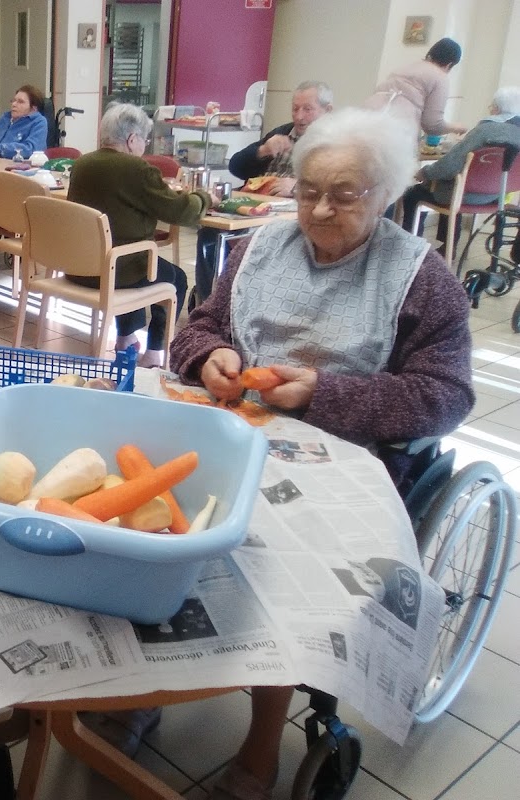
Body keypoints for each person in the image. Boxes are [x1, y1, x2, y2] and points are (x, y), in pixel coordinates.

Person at [170, 107, 473, 800]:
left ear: (387, 195)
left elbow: (445, 395)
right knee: (156, 522)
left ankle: (259, 744)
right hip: (235, 425)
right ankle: (140, 692)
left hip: (346, 452)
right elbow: (201, 325)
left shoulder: (421, 280)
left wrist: (324, 395)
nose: (318, 208)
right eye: (307, 189)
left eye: (344, 193)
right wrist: (209, 353)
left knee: (276, 564)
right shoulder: (257, 248)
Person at [66, 102, 215, 368]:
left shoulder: (82, 164)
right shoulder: (138, 170)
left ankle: (125, 338)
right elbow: (181, 211)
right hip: (115, 271)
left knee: (133, 258)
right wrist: (205, 197)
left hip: (79, 267)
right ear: (132, 139)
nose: (144, 146)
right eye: (144, 140)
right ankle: (155, 352)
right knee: (175, 278)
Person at [194, 81, 334, 305]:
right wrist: (263, 150)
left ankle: (242, 303)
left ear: (328, 111)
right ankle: (208, 303)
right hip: (258, 207)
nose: (299, 117)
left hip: (293, 217)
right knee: (210, 234)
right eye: (295, 108)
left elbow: (335, 187)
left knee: (252, 244)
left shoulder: (336, 143)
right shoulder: (282, 132)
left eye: (307, 109)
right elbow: (237, 167)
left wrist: (297, 188)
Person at [400, 85, 520, 250]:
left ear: (497, 109)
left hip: (466, 195)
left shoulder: (485, 130)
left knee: (414, 193)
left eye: (492, 106)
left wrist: (425, 172)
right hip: (497, 196)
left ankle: (409, 247)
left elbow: (450, 165)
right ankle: (447, 247)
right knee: (455, 186)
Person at [364, 37, 468, 139]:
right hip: (394, 130)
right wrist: (455, 127)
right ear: (449, 64)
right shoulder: (440, 77)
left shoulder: (405, 68)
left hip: (364, 119)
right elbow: (432, 125)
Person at [0, 85, 48, 160]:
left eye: (20, 102)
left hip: (19, 168)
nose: (14, 104)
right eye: (13, 100)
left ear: (33, 108)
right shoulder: (4, 118)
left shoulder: (39, 122)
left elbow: (31, 149)